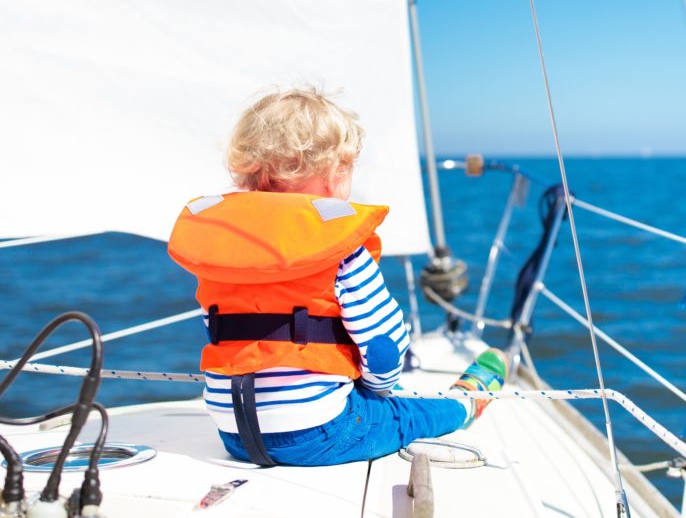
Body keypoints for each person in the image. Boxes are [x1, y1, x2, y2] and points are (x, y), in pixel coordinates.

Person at [168, 87, 507, 466]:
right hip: (320, 432)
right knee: (403, 415)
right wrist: (378, 388)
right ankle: (466, 404)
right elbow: (384, 343)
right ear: (334, 176)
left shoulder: (222, 249)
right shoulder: (340, 249)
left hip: (234, 432)